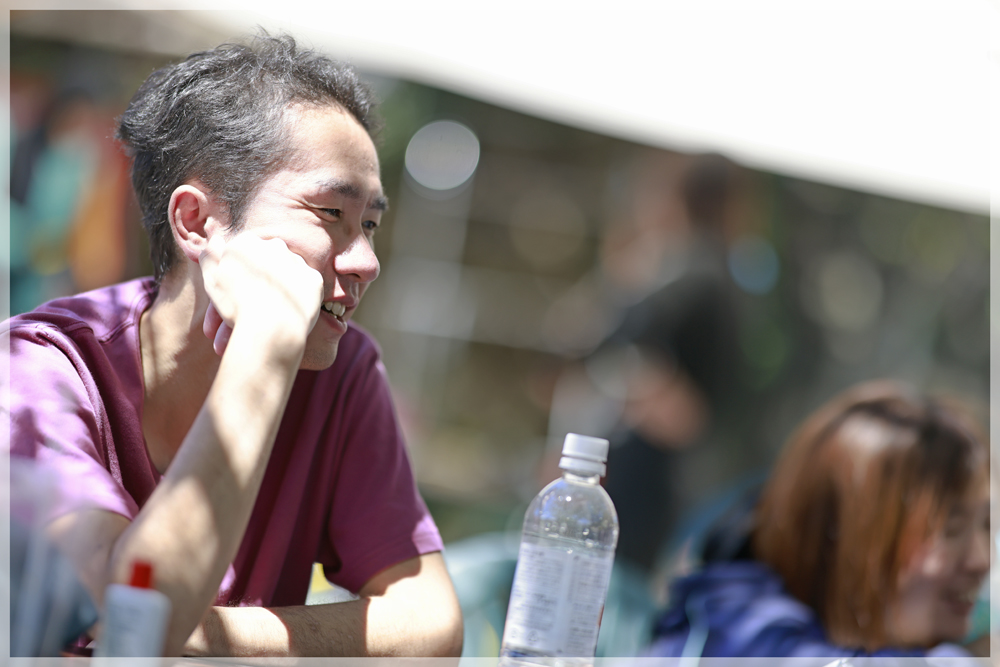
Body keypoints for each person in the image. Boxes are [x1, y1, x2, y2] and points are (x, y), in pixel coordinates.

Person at [4, 34, 463, 657]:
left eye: (371, 225)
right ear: (197, 222)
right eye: (331, 214)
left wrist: (203, 633)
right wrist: (266, 347)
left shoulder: (344, 370)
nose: (367, 262)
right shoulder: (34, 369)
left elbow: (431, 625)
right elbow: (136, 620)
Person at [647, 380, 991, 658]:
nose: (982, 559)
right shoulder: (737, 635)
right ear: (846, 538)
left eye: (988, 525)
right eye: (950, 529)